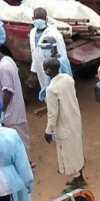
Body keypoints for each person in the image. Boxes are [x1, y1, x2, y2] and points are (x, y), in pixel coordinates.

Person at [40, 58, 85, 188]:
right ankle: (81, 177)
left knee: (68, 154)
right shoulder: (67, 79)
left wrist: (48, 131)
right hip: (74, 120)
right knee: (77, 149)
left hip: (64, 125)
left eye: (44, 69)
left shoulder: (51, 89)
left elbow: (53, 115)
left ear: (48, 71)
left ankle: (78, 183)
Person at [0, 41, 30, 155]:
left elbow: (8, 91)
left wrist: (2, 111)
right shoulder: (7, 61)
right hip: (16, 108)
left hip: (11, 111)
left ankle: (25, 162)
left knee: (16, 138)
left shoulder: (3, 68)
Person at [27, 8, 67, 95]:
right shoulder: (33, 32)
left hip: (54, 72)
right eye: (37, 18)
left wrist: (61, 75)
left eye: (41, 18)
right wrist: (33, 73)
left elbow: (62, 56)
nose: (39, 20)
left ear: (46, 19)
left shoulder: (54, 34)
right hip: (41, 71)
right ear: (33, 19)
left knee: (58, 94)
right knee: (47, 94)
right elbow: (35, 54)